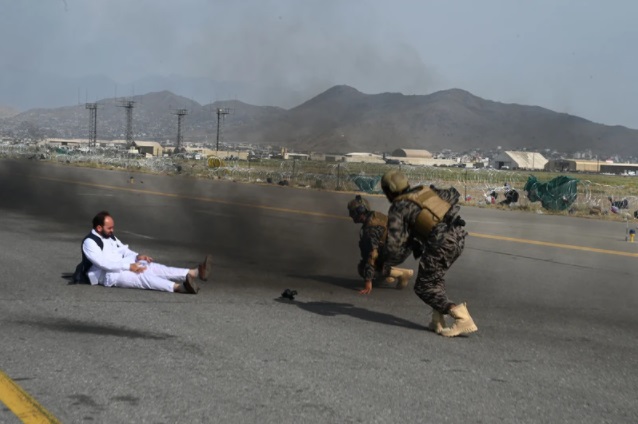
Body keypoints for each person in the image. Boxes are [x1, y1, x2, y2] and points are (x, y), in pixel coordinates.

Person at [377, 170, 477, 337]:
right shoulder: (425, 190)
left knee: (424, 287)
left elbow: (394, 247)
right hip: (458, 237)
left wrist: (382, 261)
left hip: (441, 245)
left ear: (389, 190)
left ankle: (460, 316)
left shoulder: (399, 207)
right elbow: (453, 194)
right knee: (433, 279)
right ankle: (437, 321)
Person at [81, 211, 212, 294]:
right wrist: (129, 266)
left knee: (152, 267)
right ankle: (180, 287)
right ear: (99, 228)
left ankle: (193, 273)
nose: (112, 230)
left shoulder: (109, 236)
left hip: (122, 264)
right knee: (142, 278)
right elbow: (103, 263)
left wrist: (137, 256)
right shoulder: (90, 242)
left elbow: (124, 250)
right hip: (108, 275)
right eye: (109, 228)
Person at [347, 195, 413, 295]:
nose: (351, 215)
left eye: (352, 213)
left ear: (360, 212)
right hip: (402, 246)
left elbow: (372, 254)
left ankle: (401, 274)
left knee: (364, 268)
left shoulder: (370, 230)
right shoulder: (374, 215)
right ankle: (387, 274)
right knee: (371, 264)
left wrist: (368, 281)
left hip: (398, 251)